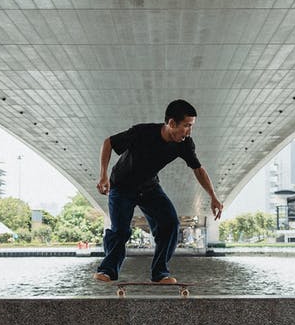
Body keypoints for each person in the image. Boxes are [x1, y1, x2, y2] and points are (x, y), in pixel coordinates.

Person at [94, 99, 223, 284]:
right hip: (122, 186)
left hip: (149, 188)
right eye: (186, 126)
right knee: (121, 232)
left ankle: (160, 273)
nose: (189, 131)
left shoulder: (184, 144)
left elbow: (198, 169)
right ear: (171, 123)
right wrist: (103, 175)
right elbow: (109, 143)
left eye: (191, 126)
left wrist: (213, 197)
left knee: (170, 224)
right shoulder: (142, 132)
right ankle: (107, 271)